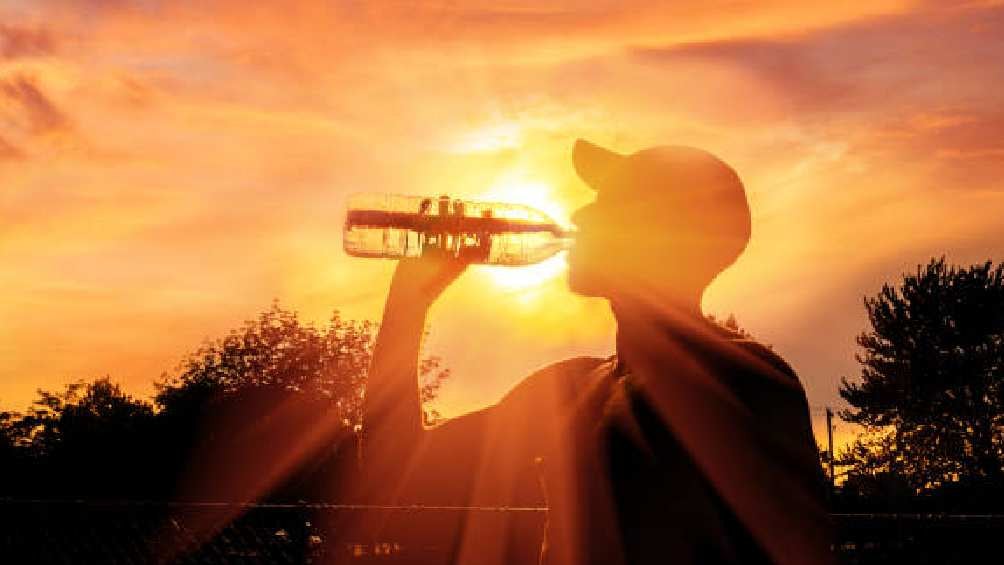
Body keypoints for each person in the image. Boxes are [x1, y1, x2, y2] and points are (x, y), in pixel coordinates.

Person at [354, 139, 834, 564]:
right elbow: (395, 472)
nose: (581, 215)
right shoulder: (569, 389)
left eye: (610, 203)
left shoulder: (742, 382)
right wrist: (408, 302)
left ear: (663, 232)